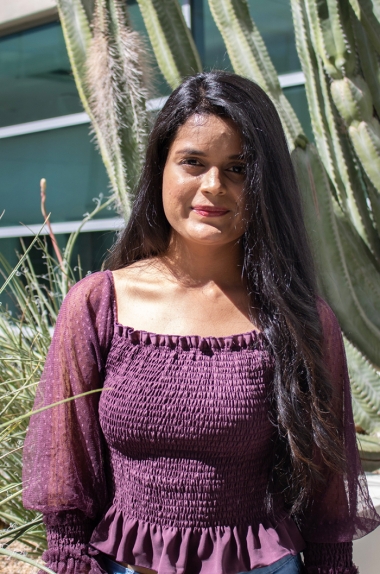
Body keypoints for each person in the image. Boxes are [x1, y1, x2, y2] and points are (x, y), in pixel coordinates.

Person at [23, 71, 380, 574]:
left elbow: (326, 499)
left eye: (238, 168)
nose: (214, 187)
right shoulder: (98, 305)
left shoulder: (300, 320)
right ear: (161, 167)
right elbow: (67, 475)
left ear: (264, 181)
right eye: (193, 162)